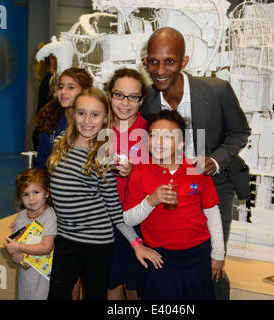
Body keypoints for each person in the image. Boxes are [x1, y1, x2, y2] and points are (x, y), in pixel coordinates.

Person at [140, 27, 251, 299]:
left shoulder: (217, 90)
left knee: (214, 259)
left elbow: (240, 132)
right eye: (153, 61)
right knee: (174, 260)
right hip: (171, 188)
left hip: (214, 185)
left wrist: (215, 159)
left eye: (169, 61)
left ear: (184, 62)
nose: (160, 69)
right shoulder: (148, 102)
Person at [46, 87, 162, 300]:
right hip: (65, 239)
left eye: (95, 114)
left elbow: (114, 210)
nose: (87, 120)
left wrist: (136, 243)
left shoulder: (102, 157)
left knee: (95, 295)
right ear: (73, 114)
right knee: (57, 294)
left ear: (105, 118)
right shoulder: (60, 147)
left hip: (97, 244)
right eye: (82, 113)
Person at [123, 109, 225, 300]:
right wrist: (151, 201)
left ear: (181, 142)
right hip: (160, 257)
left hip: (198, 254)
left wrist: (218, 253)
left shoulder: (196, 170)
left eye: (168, 136)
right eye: (153, 135)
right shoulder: (140, 173)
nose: (159, 142)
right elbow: (128, 218)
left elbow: (211, 211)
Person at [107, 68, 150, 300]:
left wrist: (135, 172)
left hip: (139, 218)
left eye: (133, 97)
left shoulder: (151, 131)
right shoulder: (96, 127)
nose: (125, 103)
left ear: (142, 99)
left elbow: (160, 176)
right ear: (110, 95)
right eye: (118, 95)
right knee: (111, 283)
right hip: (104, 220)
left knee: (135, 288)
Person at [4, 168, 57, 300]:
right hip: (25, 277)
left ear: (47, 192)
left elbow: (46, 247)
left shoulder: (49, 216)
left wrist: (18, 248)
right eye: (25, 194)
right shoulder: (21, 216)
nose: (31, 198)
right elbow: (16, 245)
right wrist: (14, 255)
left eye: (36, 192)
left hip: (44, 279)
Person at [35, 67, 93, 168]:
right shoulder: (49, 124)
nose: (63, 91)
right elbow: (41, 165)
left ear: (85, 91)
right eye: (61, 87)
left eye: (71, 87)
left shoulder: (94, 124)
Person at [32, 44, 57, 151]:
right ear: (52, 59)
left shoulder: (47, 79)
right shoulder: (50, 81)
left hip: (44, 132)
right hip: (46, 133)